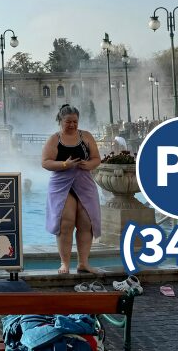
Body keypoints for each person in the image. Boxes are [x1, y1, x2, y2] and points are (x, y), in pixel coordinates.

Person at [41, 104, 102, 275]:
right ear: (61, 121)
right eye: (68, 122)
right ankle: (65, 264)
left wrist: (88, 164)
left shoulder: (86, 137)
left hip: (84, 182)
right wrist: (64, 164)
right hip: (62, 184)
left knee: (86, 223)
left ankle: (83, 263)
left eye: (75, 122)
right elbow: (45, 162)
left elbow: (96, 158)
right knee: (65, 223)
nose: (72, 125)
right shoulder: (55, 139)